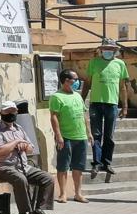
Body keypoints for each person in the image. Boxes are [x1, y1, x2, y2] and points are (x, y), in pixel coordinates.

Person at [0, 101, 55, 214]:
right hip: (1, 167)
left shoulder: (19, 128)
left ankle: (39, 210)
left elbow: (30, 148)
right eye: (7, 111)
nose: (11, 114)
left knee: (47, 178)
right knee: (20, 179)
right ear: (1, 113)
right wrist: (17, 142)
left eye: (13, 111)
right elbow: (0, 151)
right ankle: (23, 213)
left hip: (22, 166)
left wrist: (25, 145)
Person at [81, 37, 129, 177]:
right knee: (96, 135)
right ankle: (96, 163)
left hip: (112, 104)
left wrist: (125, 107)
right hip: (96, 103)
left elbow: (123, 87)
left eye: (111, 49)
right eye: (105, 49)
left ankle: (107, 162)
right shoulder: (94, 62)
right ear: (101, 50)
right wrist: (81, 100)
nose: (108, 51)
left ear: (115, 51)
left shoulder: (120, 64)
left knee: (109, 135)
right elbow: (87, 83)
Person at [49, 69, 92, 203]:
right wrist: (58, 136)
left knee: (78, 167)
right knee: (63, 166)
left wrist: (89, 132)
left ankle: (78, 193)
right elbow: (54, 117)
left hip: (81, 137)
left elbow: (84, 115)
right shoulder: (57, 97)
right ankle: (62, 194)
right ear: (66, 81)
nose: (78, 82)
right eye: (75, 79)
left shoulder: (78, 96)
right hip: (66, 137)